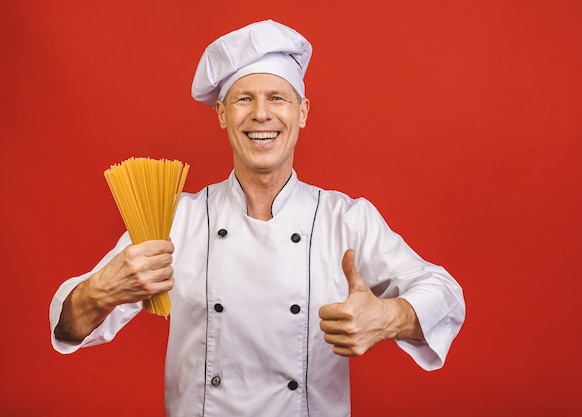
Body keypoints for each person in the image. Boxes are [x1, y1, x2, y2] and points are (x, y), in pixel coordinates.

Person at [50, 19, 465, 417]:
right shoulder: (174, 219)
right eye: (244, 98)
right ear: (221, 114)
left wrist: (388, 317)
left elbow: (445, 293)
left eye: (277, 98)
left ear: (302, 112)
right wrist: (97, 292)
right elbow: (67, 327)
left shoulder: (346, 219)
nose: (261, 114)